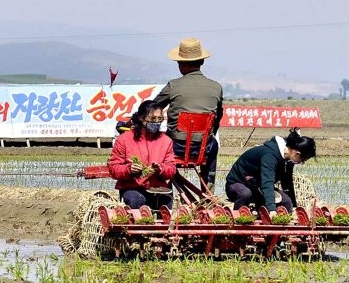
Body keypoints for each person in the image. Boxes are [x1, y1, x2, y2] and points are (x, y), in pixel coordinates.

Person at [152, 38, 224, 190]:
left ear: (181, 64)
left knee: (156, 142)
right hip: (203, 148)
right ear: (202, 62)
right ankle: (208, 187)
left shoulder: (174, 85)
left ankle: (159, 186)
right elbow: (217, 118)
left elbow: (152, 108)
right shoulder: (216, 87)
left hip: (176, 147)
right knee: (214, 144)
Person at [225, 128, 316, 215]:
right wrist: (272, 210)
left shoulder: (288, 160)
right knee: (245, 194)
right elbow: (267, 182)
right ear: (297, 154)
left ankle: (282, 227)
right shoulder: (269, 156)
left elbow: (287, 183)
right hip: (237, 184)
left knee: (286, 201)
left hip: (257, 187)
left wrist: (293, 206)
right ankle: (237, 219)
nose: (301, 163)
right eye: (303, 160)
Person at [108, 101, 176, 210]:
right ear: (141, 118)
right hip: (132, 188)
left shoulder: (166, 141)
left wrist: (161, 169)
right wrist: (129, 169)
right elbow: (113, 168)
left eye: (160, 119)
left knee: (166, 203)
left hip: (157, 188)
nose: (157, 122)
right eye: (153, 119)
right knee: (136, 200)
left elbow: (171, 168)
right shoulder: (124, 139)